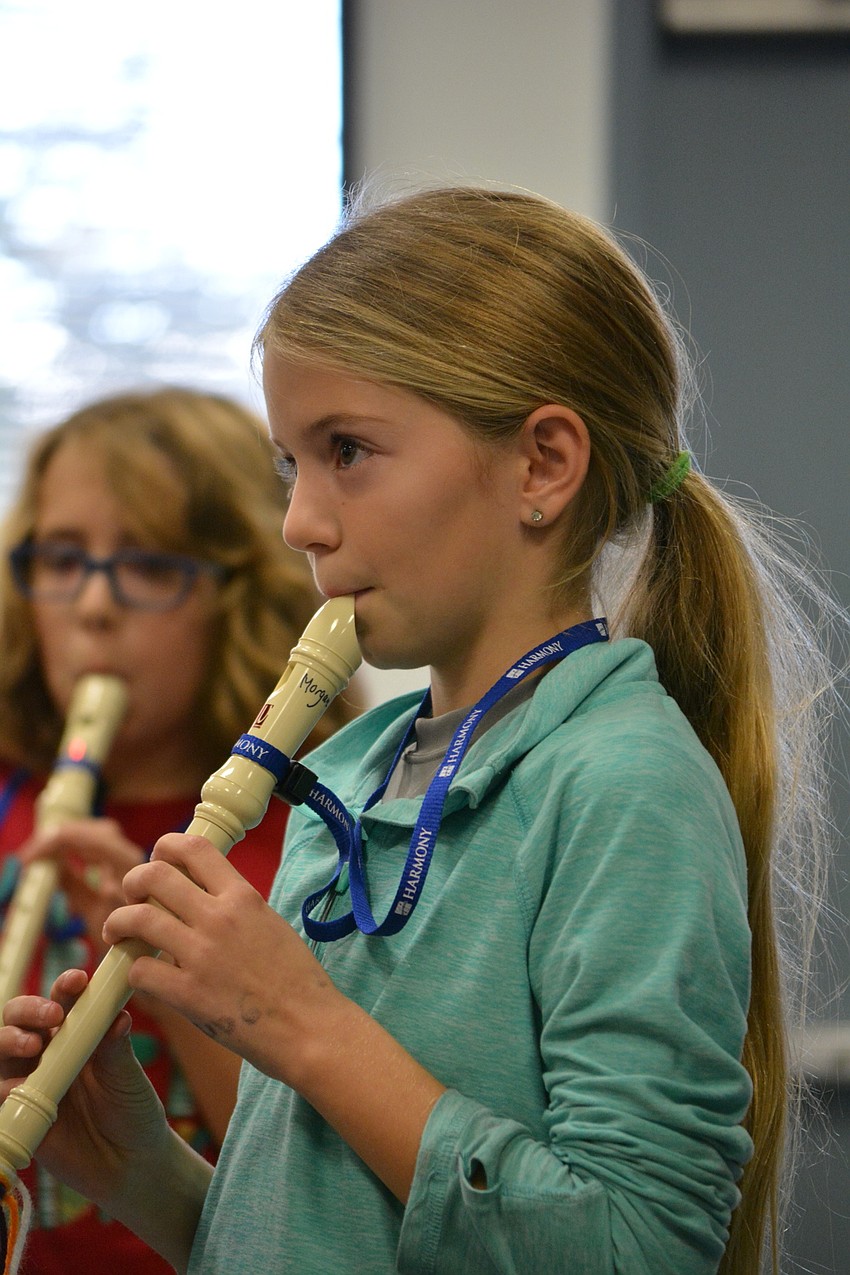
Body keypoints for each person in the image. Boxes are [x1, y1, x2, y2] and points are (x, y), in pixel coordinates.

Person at [0, 187, 840, 1275]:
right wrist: (138, 1170)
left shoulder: (625, 783)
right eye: (290, 466)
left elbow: (637, 1248)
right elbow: (329, 1233)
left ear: (542, 465)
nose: (301, 521)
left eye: (346, 450)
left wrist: (302, 1024)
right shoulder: (347, 772)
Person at [0, 386, 357, 1274]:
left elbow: (307, 1187)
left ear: (242, 594)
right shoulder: (11, 802)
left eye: (151, 566)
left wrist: (161, 958)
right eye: (62, 558)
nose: (92, 607)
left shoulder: (310, 843)